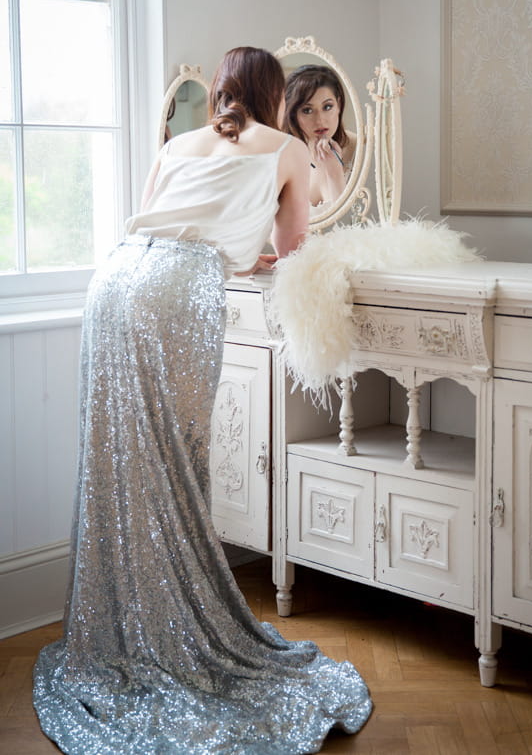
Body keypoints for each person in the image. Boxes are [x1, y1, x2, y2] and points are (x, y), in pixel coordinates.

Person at [33, 46, 372, 755]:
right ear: (276, 95)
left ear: (219, 92)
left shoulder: (182, 139)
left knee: (118, 459)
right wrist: (246, 249)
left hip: (115, 279)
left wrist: (227, 242)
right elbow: (292, 244)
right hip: (176, 292)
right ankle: (177, 631)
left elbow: (157, 215)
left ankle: (123, 630)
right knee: (180, 462)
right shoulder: (286, 148)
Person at [283, 63, 357, 209]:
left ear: (339, 105)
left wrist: (334, 172)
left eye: (327, 107)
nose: (320, 120)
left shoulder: (362, 151)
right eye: (307, 110)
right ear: (293, 114)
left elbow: (354, 226)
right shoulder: (286, 158)